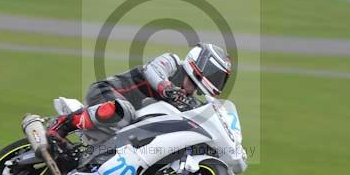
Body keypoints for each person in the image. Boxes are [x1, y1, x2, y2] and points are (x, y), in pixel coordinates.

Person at [47, 43, 232, 142]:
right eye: (215, 75)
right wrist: (165, 87)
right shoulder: (173, 62)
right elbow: (153, 70)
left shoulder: (188, 101)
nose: (216, 80)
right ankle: (62, 125)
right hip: (107, 93)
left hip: (128, 126)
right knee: (124, 111)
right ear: (203, 65)